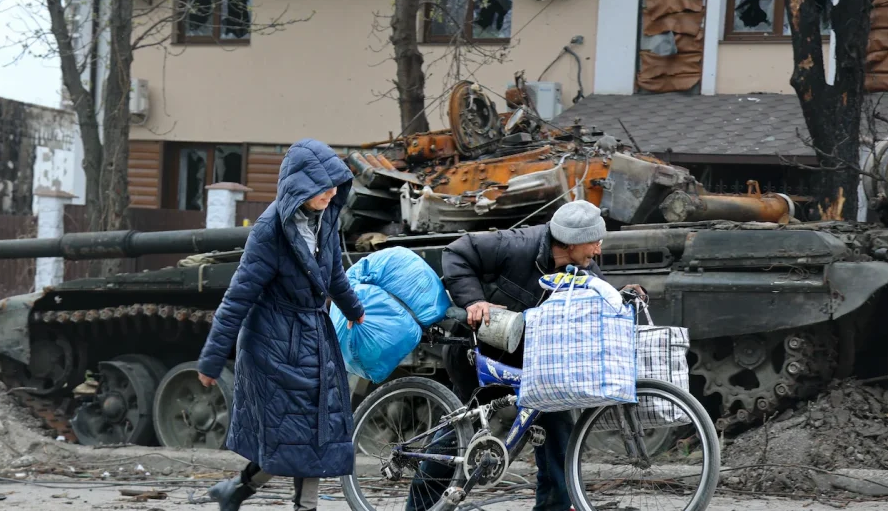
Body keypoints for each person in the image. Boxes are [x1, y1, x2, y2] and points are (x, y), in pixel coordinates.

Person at [406, 200, 645, 511]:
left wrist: (625, 293)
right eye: (593, 243)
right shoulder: (517, 245)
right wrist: (474, 301)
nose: (597, 251)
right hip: (479, 354)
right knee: (458, 434)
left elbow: (599, 297)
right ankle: (419, 507)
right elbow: (458, 252)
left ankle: (554, 508)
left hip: (532, 362)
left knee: (559, 432)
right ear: (571, 242)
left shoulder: (584, 267)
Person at [195, 139, 366, 511]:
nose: (332, 192)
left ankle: (238, 490)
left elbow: (334, 273)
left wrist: (354, 309)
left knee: (312, 435)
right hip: (275, 344)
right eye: (323, 186)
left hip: (315, 337)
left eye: (335, 183)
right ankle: (293, 504)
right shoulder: (269, 231)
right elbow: (238, 296)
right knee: (300, 436)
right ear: (300, 185)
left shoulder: (327, 217)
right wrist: (211, 360)